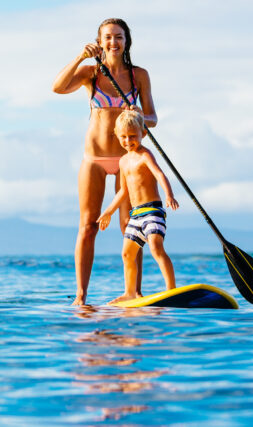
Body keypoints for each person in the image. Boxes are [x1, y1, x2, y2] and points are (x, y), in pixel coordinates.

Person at [52, 18, 158, 306]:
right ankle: (81, 297)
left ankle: (133, 293)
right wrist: (79, 57)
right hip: (95, 159)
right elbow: (58, 88)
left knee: (131, 225)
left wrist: (139, 115)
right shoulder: (91, 73)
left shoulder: (139, 76)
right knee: (88, 225)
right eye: (108, 37)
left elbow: (153, 119)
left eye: (119, 37)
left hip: (129, 160)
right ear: (100, 42)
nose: (113, 42)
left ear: (126, 41)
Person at [97, 110, 179, 303]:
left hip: (152, 211)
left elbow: (160, 174)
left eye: (133, 136)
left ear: (143, 133)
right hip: (136, 215)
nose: (128, 141)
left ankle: (171, 289)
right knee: (127, 253)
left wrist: (169, 194)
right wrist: (108, 211)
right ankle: (130, 292)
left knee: (156, 246)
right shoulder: (123, 161)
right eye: (123, 137)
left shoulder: (145, 155)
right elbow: (123, 191)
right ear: (117, 135)